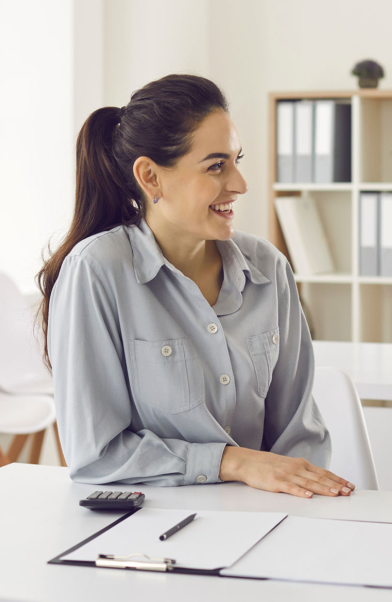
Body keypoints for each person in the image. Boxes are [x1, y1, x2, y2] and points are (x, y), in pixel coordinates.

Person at [38, 74, 353, 499]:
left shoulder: (268, 268)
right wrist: (233, 462)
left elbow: (300, 435)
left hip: (267, 516)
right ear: (150, 178)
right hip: (152, 528)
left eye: (237, 160)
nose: (240, 184)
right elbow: (96, 454)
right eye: (216, 166)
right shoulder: (96, 271)